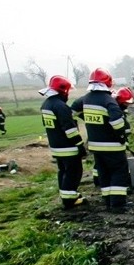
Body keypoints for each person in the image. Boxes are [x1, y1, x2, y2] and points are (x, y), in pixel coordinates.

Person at [71, 68, 130, 213]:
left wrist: (87, 120)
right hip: (113, 146)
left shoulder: (85, 99)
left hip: (95, 146)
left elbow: (72, 111)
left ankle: (108, 201)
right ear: (108, 82)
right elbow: (117, 123)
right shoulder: (109, 101)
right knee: (119, 172)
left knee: (104, 173)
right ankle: (118, 204)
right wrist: (122, 137)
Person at [40, 75, 86, 209]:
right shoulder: (61, 107)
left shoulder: (46, 105)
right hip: (68, 147)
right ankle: (69, 200)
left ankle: (66, 195)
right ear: (64, 91)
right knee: (74, 172)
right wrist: (79, 145)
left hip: (55, 146)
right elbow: (70, 129)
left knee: (63, 171)